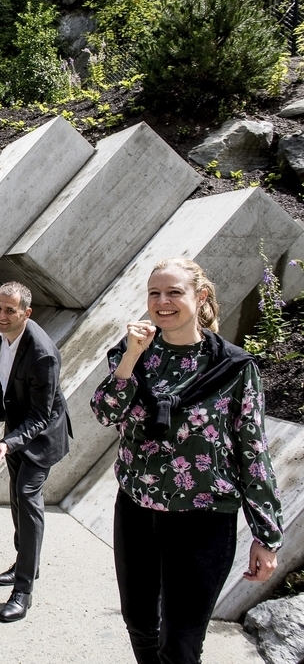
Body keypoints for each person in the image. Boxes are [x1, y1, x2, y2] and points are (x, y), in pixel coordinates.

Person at [90, 257, 283, 664]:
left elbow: (253, 450)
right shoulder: (133, 355)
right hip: (138, 509)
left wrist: (265, 536)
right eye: (154, 293)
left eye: (174, 292)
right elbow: (106, 412)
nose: (162, 302)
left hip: (203, 519)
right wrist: (130, 356)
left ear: (201, 296)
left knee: (181, 643)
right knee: (140, 622)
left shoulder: (234, 367)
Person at [0, 281, 71, 623]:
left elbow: (41, 416)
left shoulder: (43, 354)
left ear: (27, 313)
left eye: (10, 311)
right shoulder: (4, 328)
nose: (1, 316)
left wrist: (5, 445)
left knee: (27, 496)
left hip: (40, 435)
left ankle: (23, 591)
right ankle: (24, 562)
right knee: (17, 500)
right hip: (15, 426)